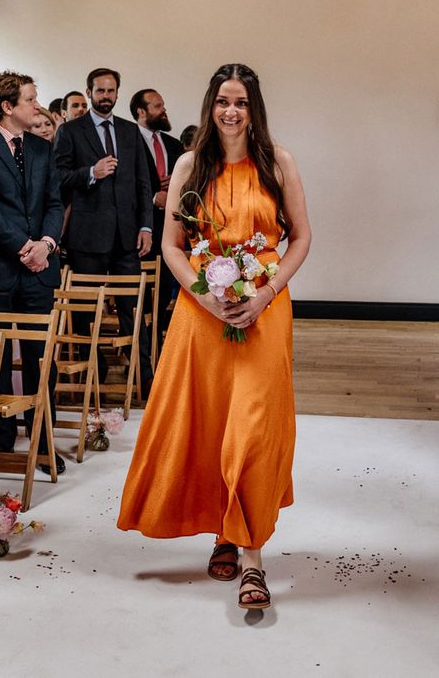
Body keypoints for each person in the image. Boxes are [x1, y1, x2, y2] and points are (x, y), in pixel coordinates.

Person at [117, 63, 311, 610]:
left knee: (252, 428)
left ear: (255, 109)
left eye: (242, 102)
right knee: (208, 425)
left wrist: (264, 293)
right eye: (224, 101)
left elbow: (300, 237)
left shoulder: (279, 163)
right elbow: (172, 244)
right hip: (200, 313)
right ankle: (223, 531)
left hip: (263, 311)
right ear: (211, 106)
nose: (232, 111)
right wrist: (204, 296)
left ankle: (252, 557)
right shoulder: (188, 165)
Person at [0, 71, 65, 475]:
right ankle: (0, 447)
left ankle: (44, 444)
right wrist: (25, 248)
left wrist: (47, 246)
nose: (37, 105)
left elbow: (55, 203)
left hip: (40, 270)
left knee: (42, 361)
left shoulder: (41, 148)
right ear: (8, 107)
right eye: (31, 100)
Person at [54, 68, 154, 389]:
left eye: (111, 91)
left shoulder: (129, 131)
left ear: (117, 93)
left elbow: (143, 182)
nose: (106, 96)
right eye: (100, 91)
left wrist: (146, 226)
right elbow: (58, 178)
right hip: (87, 235)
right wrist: (91, 172)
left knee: (133, 307)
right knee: (86, 310)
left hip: (127, 236)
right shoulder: (71, 131)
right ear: (89, 92)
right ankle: (92, 374)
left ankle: (142, 374)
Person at [130, 88, 184, 343]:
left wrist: (179, 185)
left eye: (163, 104)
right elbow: (124, 183)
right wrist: (153, 197)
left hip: (168, 229)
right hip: (140, 229)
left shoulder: (173, 145)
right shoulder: (128, 141)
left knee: (164, 289)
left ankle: (157, 339)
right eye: (157, 106)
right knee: (138, 294)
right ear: (141, 112)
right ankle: (139, 341)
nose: (163, 110)